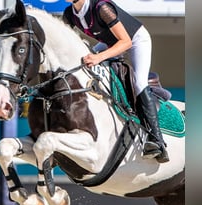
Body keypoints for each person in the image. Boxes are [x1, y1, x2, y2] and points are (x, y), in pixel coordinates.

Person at [63, 0, 169, 163]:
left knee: (140, 83)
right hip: (109, 43)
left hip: (135, 40)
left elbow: (126, 42)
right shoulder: (70, 14)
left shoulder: (102, 7)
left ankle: (157, 141)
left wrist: (98, 57)